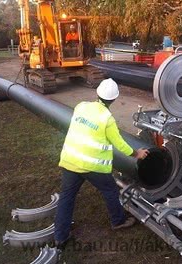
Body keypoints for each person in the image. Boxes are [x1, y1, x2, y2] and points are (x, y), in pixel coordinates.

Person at [54, 78, 149, 247]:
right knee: (111, 190)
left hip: (70, 160)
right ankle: (118, 221)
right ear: (114, 99)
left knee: (67, 197)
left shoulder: (81, 106)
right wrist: (137, 153)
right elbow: (118, 143)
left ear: (97, 93)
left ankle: (60, 236)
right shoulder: (107, 118)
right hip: (92, 166)